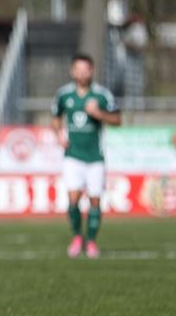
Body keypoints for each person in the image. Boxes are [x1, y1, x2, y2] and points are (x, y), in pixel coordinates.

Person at [51, 53, 122, 259]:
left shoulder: (102, 95)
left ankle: (91, 241)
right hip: (72, 155)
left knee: (95, 201)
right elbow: (55, 118)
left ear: (92, 71)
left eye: (86, 70)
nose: (82, 74)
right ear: (72, 71)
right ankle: (76, 237)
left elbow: (118, 120)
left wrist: (99, 114)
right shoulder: (64, 95)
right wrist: (59, 134)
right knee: (73, 199)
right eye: (78, 70)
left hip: (95, 157)